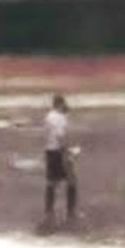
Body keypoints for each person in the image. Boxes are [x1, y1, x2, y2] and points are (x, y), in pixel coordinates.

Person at [43, 94, 79, 226]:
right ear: (60, 104)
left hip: (50, 151)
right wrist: (68, 152)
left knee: (51, 182)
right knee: (72, 180)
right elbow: (60, 137)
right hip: (59, 152)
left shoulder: (49, 116)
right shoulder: (59, 118)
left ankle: (49, 212)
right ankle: (71, 212)